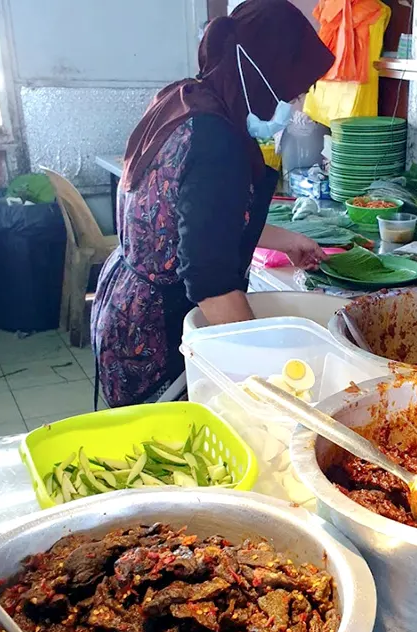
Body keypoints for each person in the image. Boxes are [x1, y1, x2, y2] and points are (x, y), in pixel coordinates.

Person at [91, 0, 334, 407]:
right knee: (172, 454)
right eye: (293, 93)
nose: (297, 107)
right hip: (159, 330)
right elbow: (209, 279)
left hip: (127, 302)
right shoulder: (217, 141)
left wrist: (286, 240)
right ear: (262, 75)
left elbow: (197, 222)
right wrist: (268, 377)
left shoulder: (186, 98)